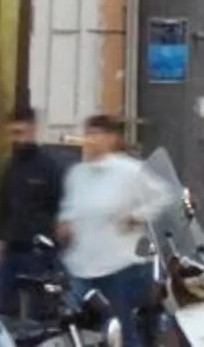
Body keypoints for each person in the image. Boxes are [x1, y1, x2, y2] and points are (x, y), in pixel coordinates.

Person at [57, 115, 167, 334]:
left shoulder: (130, 170)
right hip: (81, 265)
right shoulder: (76, 174)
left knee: (118, 329)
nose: (91, 140)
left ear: (112, 139)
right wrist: (65, 224)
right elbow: (71, 208)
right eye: (89, 134)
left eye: (97, 134)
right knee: (79, 329)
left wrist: (136, 216)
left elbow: (162, 196)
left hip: (118, 266)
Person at [0, 105, 68, 318]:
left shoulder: (50, 167)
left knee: (40, 313)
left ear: (32, 129)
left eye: (20, 133)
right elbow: (2, 206)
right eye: (12, 134)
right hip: (10, 251)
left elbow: (61, 206)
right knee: (4, 310)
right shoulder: (9, 167)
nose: (16, 139)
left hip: (38, 253)